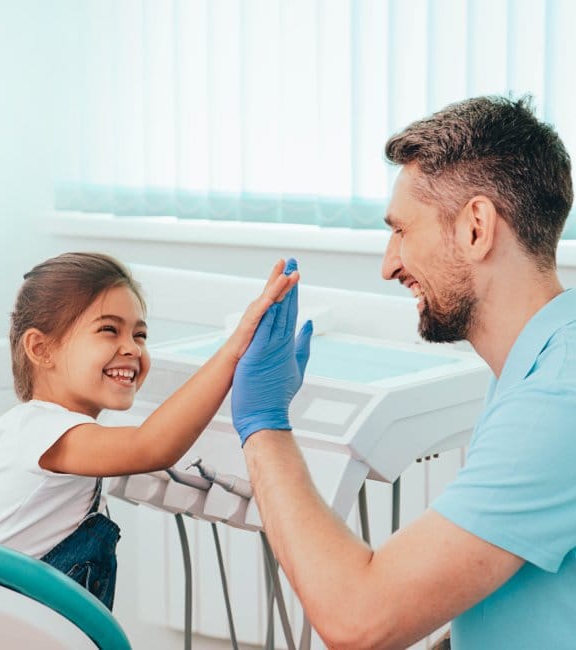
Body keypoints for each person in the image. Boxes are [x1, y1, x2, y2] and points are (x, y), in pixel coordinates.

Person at [231, 96, 576, 649]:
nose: (389, 264)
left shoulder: (556, 399)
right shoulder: (537, 364)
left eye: (402, 231)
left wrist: (263, 425)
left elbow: (358, 620)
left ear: (476, 228)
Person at [0, 251, 299, 610]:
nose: (132, 347)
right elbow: (150, 445)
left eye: (140, 334)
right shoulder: (39, 430)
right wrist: (235, 348)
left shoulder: (42, 429)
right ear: (41, 349)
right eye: (109, 329)